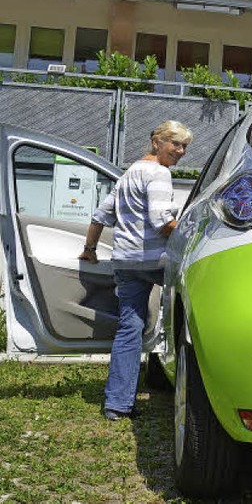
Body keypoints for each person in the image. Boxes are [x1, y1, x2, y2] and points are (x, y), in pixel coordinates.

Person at [79, 120, 193, 420]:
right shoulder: (159, 173)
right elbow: (161, 222)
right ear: (157, 142)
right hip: (156, 262)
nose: (180, 151)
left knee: (129, 330)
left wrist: (89, 249)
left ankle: (117, 404)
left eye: (184, 146)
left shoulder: (128, 174)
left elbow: (101, 215)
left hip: (125, 262)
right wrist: (194, 233)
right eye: (175, 144)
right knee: (192, 316)